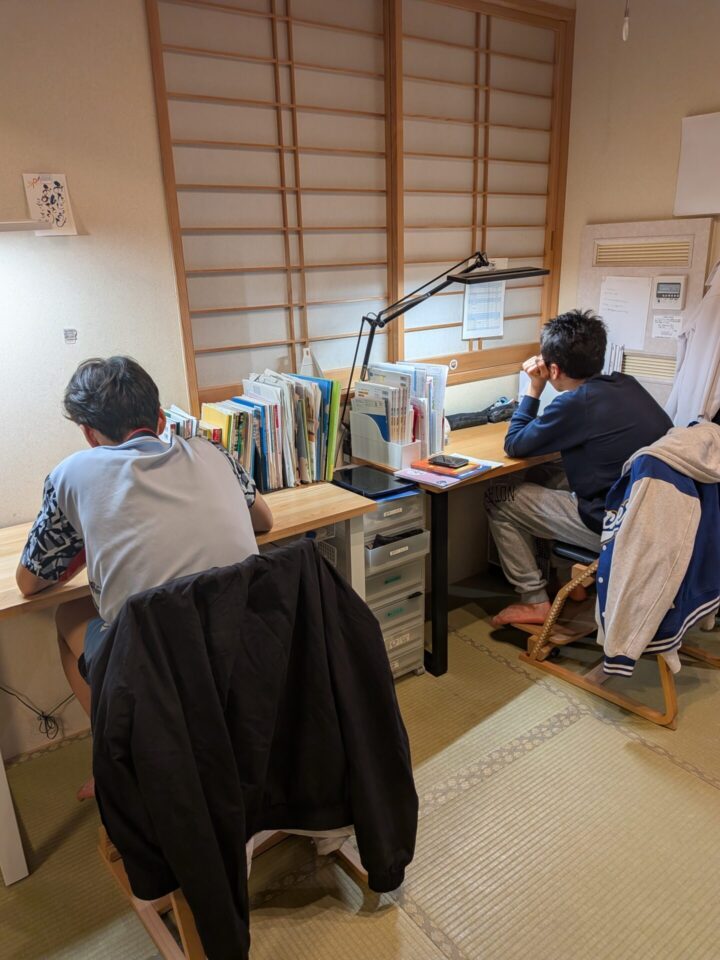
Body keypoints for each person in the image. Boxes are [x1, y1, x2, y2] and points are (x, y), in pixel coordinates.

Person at [16, 357, 273, 797]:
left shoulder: (71, 474)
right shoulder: (211, 451)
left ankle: (118, 765)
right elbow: (264, 521)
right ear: (160, 418)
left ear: (88, 433)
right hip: (246, 644)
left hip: (156, 668)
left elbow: (28, 581)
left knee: (67, 615)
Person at [486, 309, 672, 627]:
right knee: (545, 475)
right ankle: (570, 584)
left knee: (498, 497)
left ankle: (534, 600)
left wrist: (534, 388)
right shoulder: (626, 384)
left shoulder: (574, 404)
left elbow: (514, 444)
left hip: (616, 527)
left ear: (554, 369)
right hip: (657, 517)